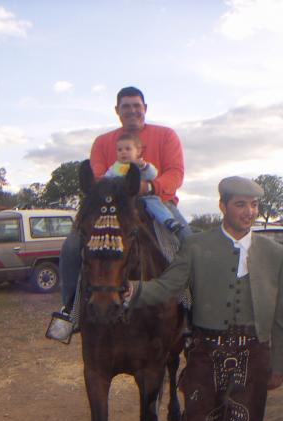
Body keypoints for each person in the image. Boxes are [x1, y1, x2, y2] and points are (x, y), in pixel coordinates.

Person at [127, 176, 283, 421]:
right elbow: (168, 285)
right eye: (240, 204)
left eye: (254, 205)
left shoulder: (275, 253)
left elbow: (282, 315)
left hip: (254, 357)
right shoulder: (196, 245)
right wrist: (132, 291)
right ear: (223, 206)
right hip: (206, 356)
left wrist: (279, 364)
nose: (249, 212)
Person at [53, 86, 190, 342]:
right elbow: (97, 176)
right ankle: (69, 310)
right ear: (117, 110)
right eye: (126, 106)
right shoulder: (103, 142)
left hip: (158, 203)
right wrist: (121, 189)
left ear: (145, 108)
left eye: (137, 105)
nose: (132, 110)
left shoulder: (166, 135)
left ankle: (194, 313)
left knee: (189, 242)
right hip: (113, 208)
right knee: (71, 246)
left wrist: (148, 186)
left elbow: (175, 173)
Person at [105, 133, 184, 234]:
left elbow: (152, 175)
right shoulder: (114, 168)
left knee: (153, 201)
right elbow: (106, 180)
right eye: (119, 150)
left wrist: (144, 167)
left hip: (142, 196)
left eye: (128, 149)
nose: (123, 152)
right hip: (121, 198)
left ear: (138, 151)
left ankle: (168, 220)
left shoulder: (140, 165)